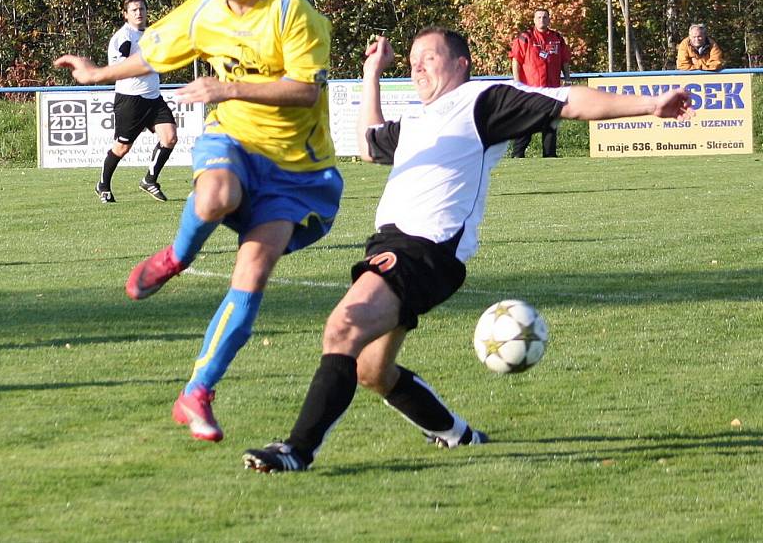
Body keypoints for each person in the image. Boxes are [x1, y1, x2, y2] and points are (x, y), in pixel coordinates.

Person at [242, 27, 692, 473]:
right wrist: (372, 73)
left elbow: (570, 101)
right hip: (393, 247)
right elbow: (367, 146)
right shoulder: (419, 119)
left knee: (343, 328)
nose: (418, 66)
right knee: (371, 371)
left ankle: (296, 450)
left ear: (461, 64)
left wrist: (651, 105)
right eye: (413, 59)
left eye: (429, 58)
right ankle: (458, 434)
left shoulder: (483, 100)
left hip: (424, 251)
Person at [55, 0, 343, 443]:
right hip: (230, 139)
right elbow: (153, 53)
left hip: (294, 168)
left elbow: (305, 91)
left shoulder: (293, 13)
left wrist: (226, 90)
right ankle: (176, 257)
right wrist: (97, 75)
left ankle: (197, 391)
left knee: (252, 273)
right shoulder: (205, 8)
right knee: (215, 195)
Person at [95, 0, 178, 203]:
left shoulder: (152, 34)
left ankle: (150, 180)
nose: (139, 13)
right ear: (126, 14)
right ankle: (103, 185)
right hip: (130, 100)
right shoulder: (124, 37)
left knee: (170, 137)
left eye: (141, 9)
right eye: (134, 10)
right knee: (122, 147)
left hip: (153, 97)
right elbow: (119, 68)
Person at [509, 8, 571, 158]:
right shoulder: (525, 37)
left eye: (545, 17)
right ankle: (517, 155)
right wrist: (518, 83)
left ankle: (550, 156)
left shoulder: (557, 38)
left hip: (552, 89)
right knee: (527, 123)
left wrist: (567, 77)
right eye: (539, 17)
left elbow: (565, 60)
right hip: (531, 89)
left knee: (550, 124)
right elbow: (516, 61)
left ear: (549, 19)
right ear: (534, 20)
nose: (542, 20)